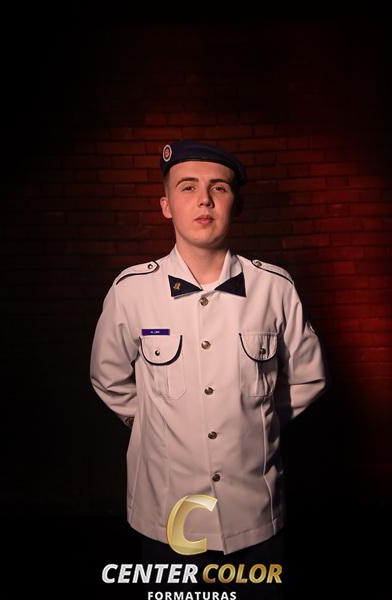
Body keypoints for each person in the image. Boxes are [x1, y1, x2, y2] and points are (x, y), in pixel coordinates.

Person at [90, 140, 328, 598]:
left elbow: (308, 377)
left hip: (254, 514)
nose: (204, 199)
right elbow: (108, 377)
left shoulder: (274, 288)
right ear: (166, 205)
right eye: (188, 187)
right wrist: (155, 423)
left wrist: (256, 421)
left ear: (234, 204)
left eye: (218, 188)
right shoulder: (131, 291)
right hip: (166, 513)